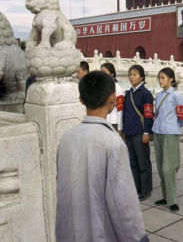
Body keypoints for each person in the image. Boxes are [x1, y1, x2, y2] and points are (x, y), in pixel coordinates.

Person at [56, 71, 148, 242]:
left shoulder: (67, 137)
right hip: (101, 233)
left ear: (81, 99)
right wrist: (138, 238)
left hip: (68, 231)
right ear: (112, 98)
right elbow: (122, 202)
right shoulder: (113, 143)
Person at [152, 67, 183, 211]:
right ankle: (165, 196)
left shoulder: (176, 95)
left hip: (170, 133)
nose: (161, 80)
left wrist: (174, 127)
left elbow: (182, 116)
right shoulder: (159, 95)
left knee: (169, 167)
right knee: (160, 167)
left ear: (171, 79)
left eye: (163, 78)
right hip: (157, 131)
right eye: (159, 78)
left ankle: (172, 200)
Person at [122, 64, 154, 201]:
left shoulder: (146, 94)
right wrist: (123, 130)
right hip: (129, 132)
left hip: (140, 132)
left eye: (134, 74)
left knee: (143, 162)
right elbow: (125, 113)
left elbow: (148, 115)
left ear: (141, 77)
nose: (131, 77)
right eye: (130, 74)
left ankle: (146, 190)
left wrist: (146, 132)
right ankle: (136, 188)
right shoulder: (128, 93)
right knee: (132, 162)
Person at [101, 63, 124, 132]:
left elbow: (120, 109)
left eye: (104, 72)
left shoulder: (117, 88)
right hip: (103, 121)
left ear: (112, 74)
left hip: (113, 122)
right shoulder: (102, 87)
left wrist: (120, 128)